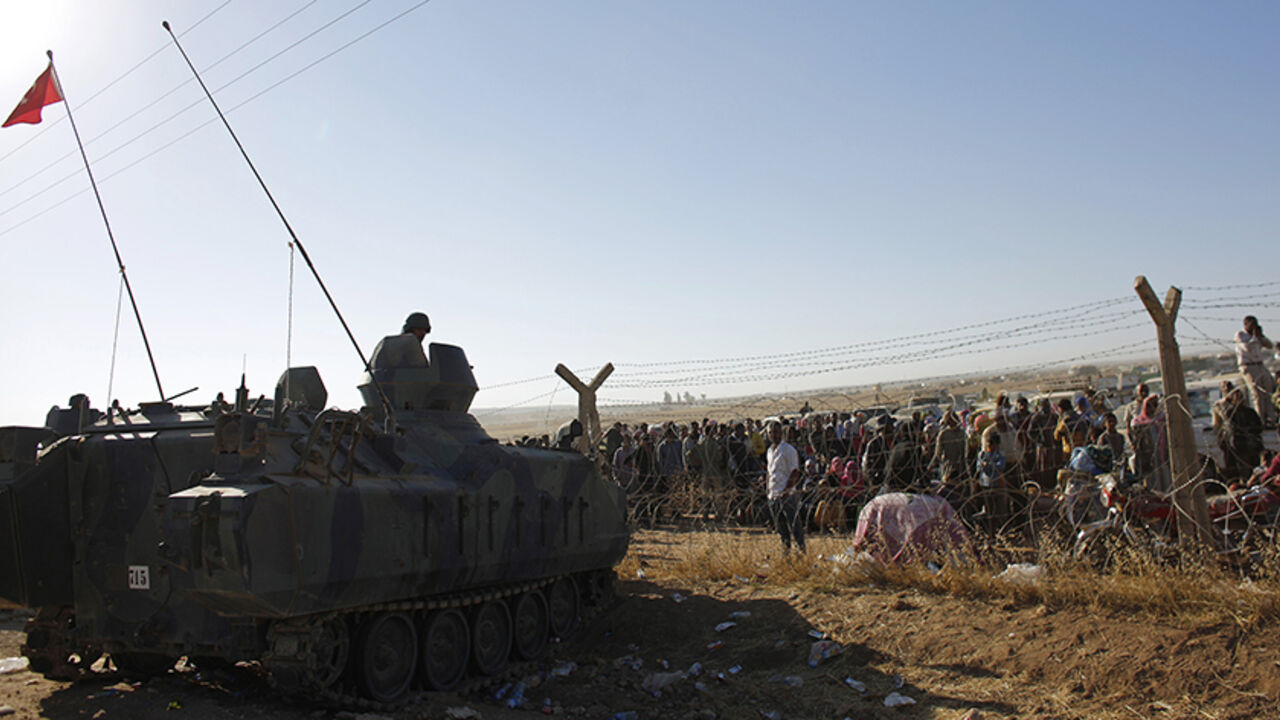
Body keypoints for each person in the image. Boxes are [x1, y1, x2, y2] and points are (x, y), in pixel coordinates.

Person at [765, 422, 805, 555]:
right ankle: (786, 553)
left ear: (781, 432)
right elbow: (770, 472)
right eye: (771, 432)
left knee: (795, 526)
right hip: (773, 494)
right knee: (782, 529)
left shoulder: (788, 450)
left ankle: (801, 551)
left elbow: (794, 472)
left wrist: (786, 491)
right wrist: (768, 490)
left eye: (776, 431)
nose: (773, 435)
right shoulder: (770, 451)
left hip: (786, 495)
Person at [1235, 315, 1276, 427]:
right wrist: (1254, 336)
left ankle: (1271, 418)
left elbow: (1269, 345)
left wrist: (1261, 336)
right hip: (1248, 366)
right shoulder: (1241, 335)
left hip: (1260, 365)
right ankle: (1260, 420)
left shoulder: (1257, 337)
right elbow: (1247, 347)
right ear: (1246, 325)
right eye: (1252, 325)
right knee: (1257, 393)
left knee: (1268, 390)